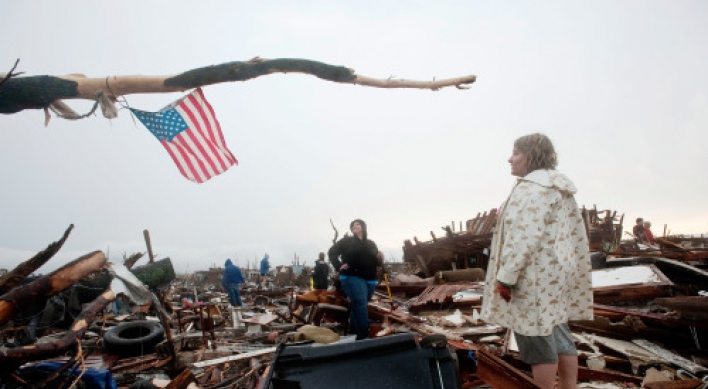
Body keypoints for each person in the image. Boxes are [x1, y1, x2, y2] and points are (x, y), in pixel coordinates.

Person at [480, 133, 593, 389]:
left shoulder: (531, 189)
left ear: (531, 155)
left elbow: (523, 237)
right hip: (554, 276)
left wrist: (506, 277)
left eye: (516, 153)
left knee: (536, 342)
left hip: (531, 279)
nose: (510, 159)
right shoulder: (558, 188)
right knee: (560, 336)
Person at [328, 219, 384, 340]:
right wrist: (338, 266)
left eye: (358, 224)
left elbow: (376, 262)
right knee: (360, 302)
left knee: (358, 305)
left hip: (369, 279)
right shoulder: (346, 241)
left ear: (363, 227)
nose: (355, 226)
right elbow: (332, 252)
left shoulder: (371, 244)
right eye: (353, 225)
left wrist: (380, 258)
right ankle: (364, 336)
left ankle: (353, 335)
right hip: (351, 276)